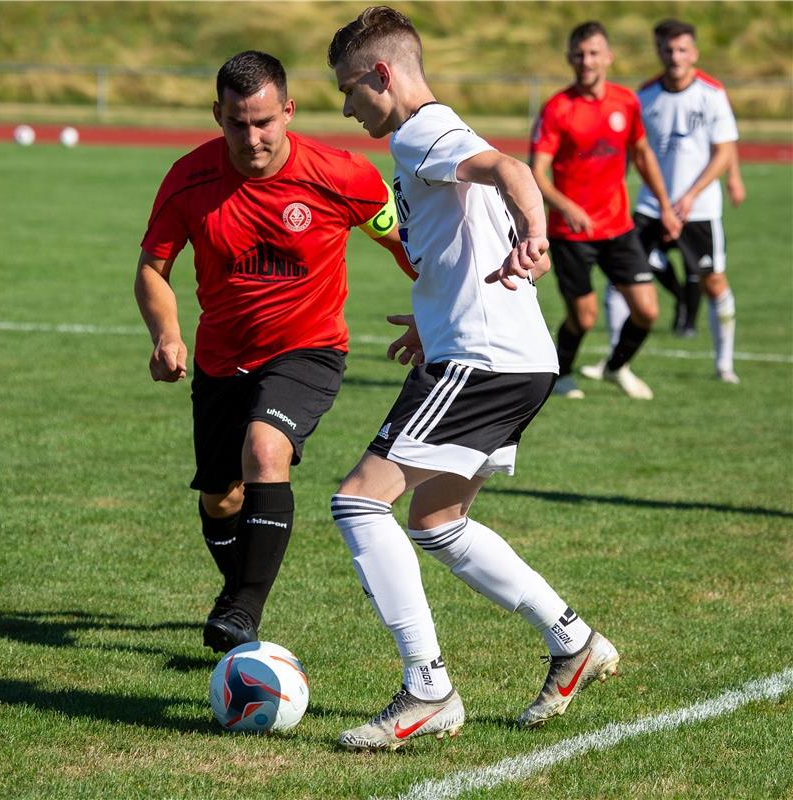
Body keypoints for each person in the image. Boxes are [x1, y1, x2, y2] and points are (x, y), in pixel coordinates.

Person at [327, 6, 619, 751]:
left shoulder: (419, 129)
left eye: (349, 90)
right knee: (435, 523)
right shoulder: (429, 134)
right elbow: (462, 228)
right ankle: (572, 640)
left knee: (359, 504)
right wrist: (432, 318)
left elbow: (512, 172)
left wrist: (535, 234)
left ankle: (427, 688)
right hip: (508, 359)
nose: (346, 106)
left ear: (381, 76)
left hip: (483, 363)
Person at [134, 50, 416, 654]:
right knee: (221, 495)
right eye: (237, 122)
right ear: (218, 114)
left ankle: (243, 609)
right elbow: (153, 268)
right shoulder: (189, 179)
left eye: (264, 121)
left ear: (288, 111)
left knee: (266, 448)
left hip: (308, 350)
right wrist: (166, 333)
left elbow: (404, 246)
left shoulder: (343, 175)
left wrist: (437, 317)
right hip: (219, 358)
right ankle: (238, 598)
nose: (252, 136)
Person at [530, 21, 681, 401]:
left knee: (647, 310)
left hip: (618, 227)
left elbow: (643, 155)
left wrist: (665, 206)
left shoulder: (626, 102)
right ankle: (562, 374)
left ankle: (616, 367)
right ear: (569, 58)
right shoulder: (558, 108)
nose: (586, 61)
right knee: (584, 317)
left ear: (608, 57)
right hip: (570, 233)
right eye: (579, 54)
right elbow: (536, 171)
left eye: (594, 53)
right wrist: (567, 207)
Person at [631, 18, 741, 382]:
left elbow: (724, 149)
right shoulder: (644, 96)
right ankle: (616, 363)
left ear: (694, 53)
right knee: (625, 279)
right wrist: (662, 199)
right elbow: (636, 153)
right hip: (650, 205)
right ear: (658, 51)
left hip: (700, 208)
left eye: (682, 49)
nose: (675, 56)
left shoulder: (711, 93)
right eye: (668, 49)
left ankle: (724, 364)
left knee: (713, 281)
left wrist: (691, 196)